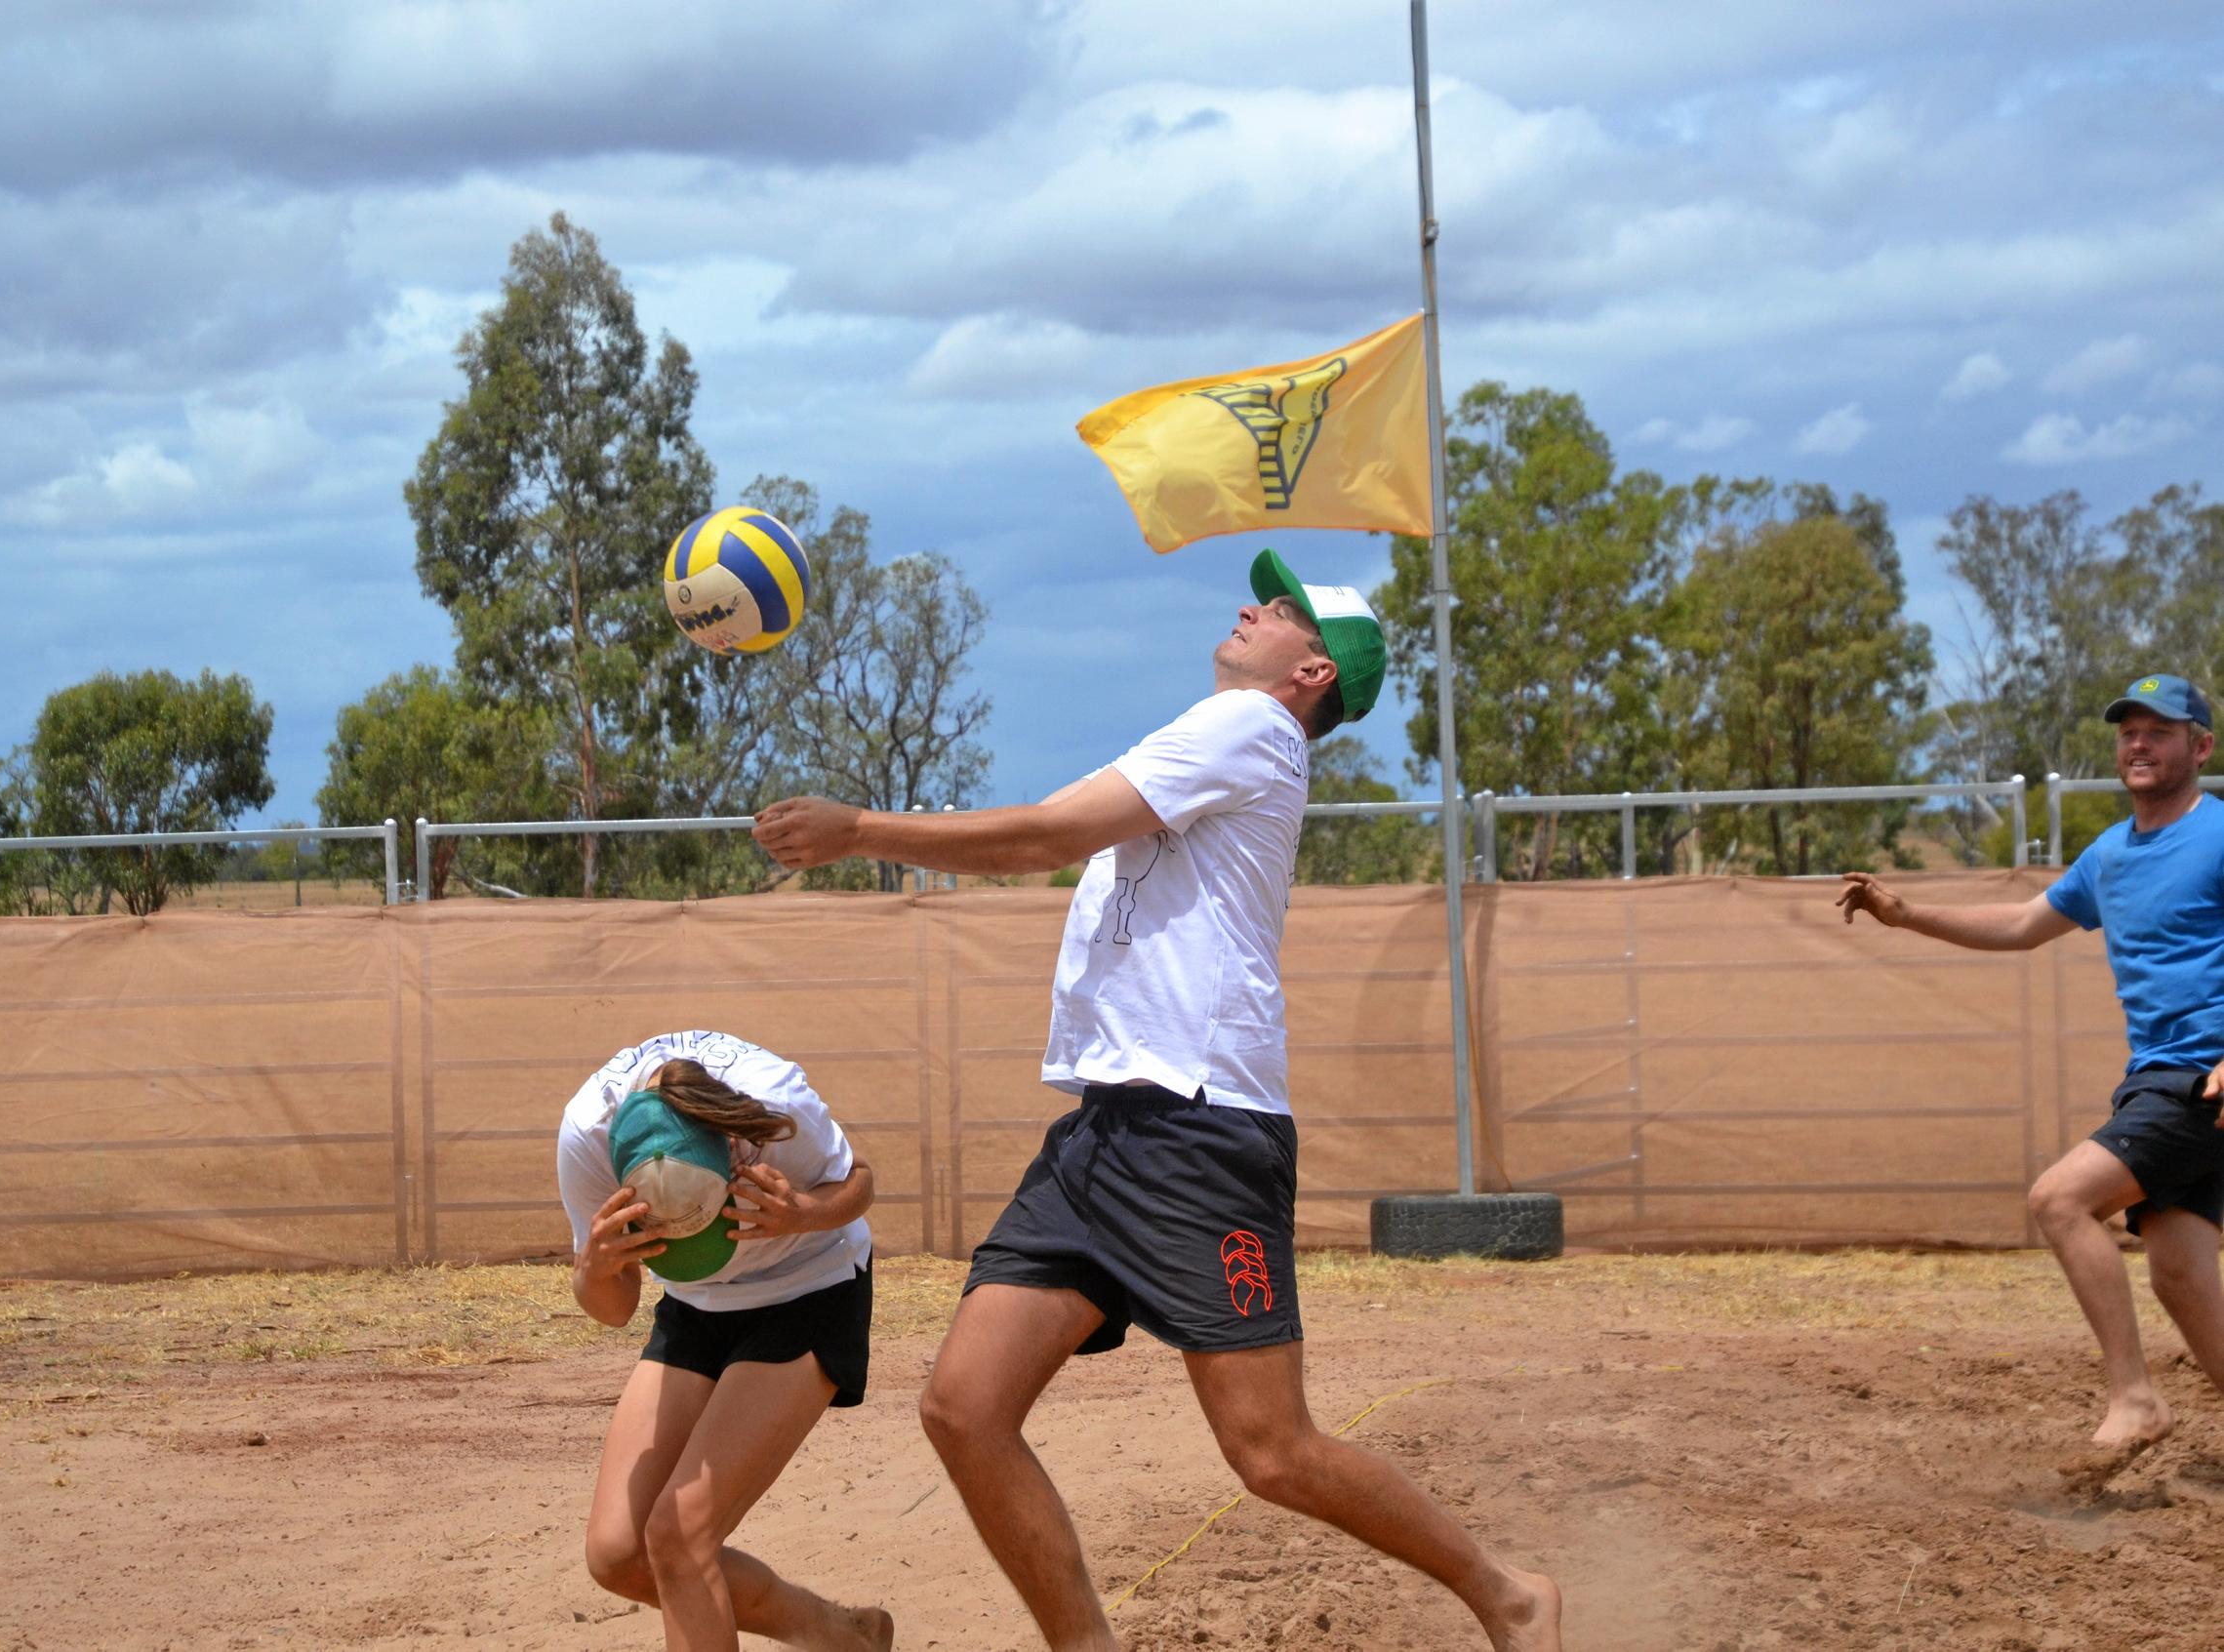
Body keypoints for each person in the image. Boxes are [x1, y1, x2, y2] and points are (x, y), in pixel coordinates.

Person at [754, 550, 1562, 1652]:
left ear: (1313, 669)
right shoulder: (1208, 735)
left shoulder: (1252, 730)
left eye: (1276, 609)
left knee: (1271, 1451)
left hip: (1198, 1130)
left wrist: (862, 833)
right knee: (964, 1406)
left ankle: (1508, 1593)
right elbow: (1062, 830)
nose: (1248, 608)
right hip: (1108, 1131)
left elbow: (1045, 835)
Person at [1839, 672, 2224, 1470]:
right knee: (2180, 1276)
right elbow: (2020, 922)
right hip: (2165, 1079)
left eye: (2159, 729)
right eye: (2128, 731)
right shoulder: (2110, 855)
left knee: (2060, 1199)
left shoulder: (2220, 832)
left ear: (2200, 745)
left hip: (2195, 1077)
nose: (2139, 743)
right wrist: (1907, 916)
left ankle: (2136, 1398)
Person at [558, 1027, 895, 1652]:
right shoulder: (587, 1138)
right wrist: (593, 1270)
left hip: (808, 1287)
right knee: (618, 1554)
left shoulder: (772, 1103)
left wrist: (803, 1211)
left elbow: (862, 1182)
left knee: (680, 1536)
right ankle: (844, 1635)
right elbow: (615, 1310)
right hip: (697, 1305)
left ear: (735, 1148)